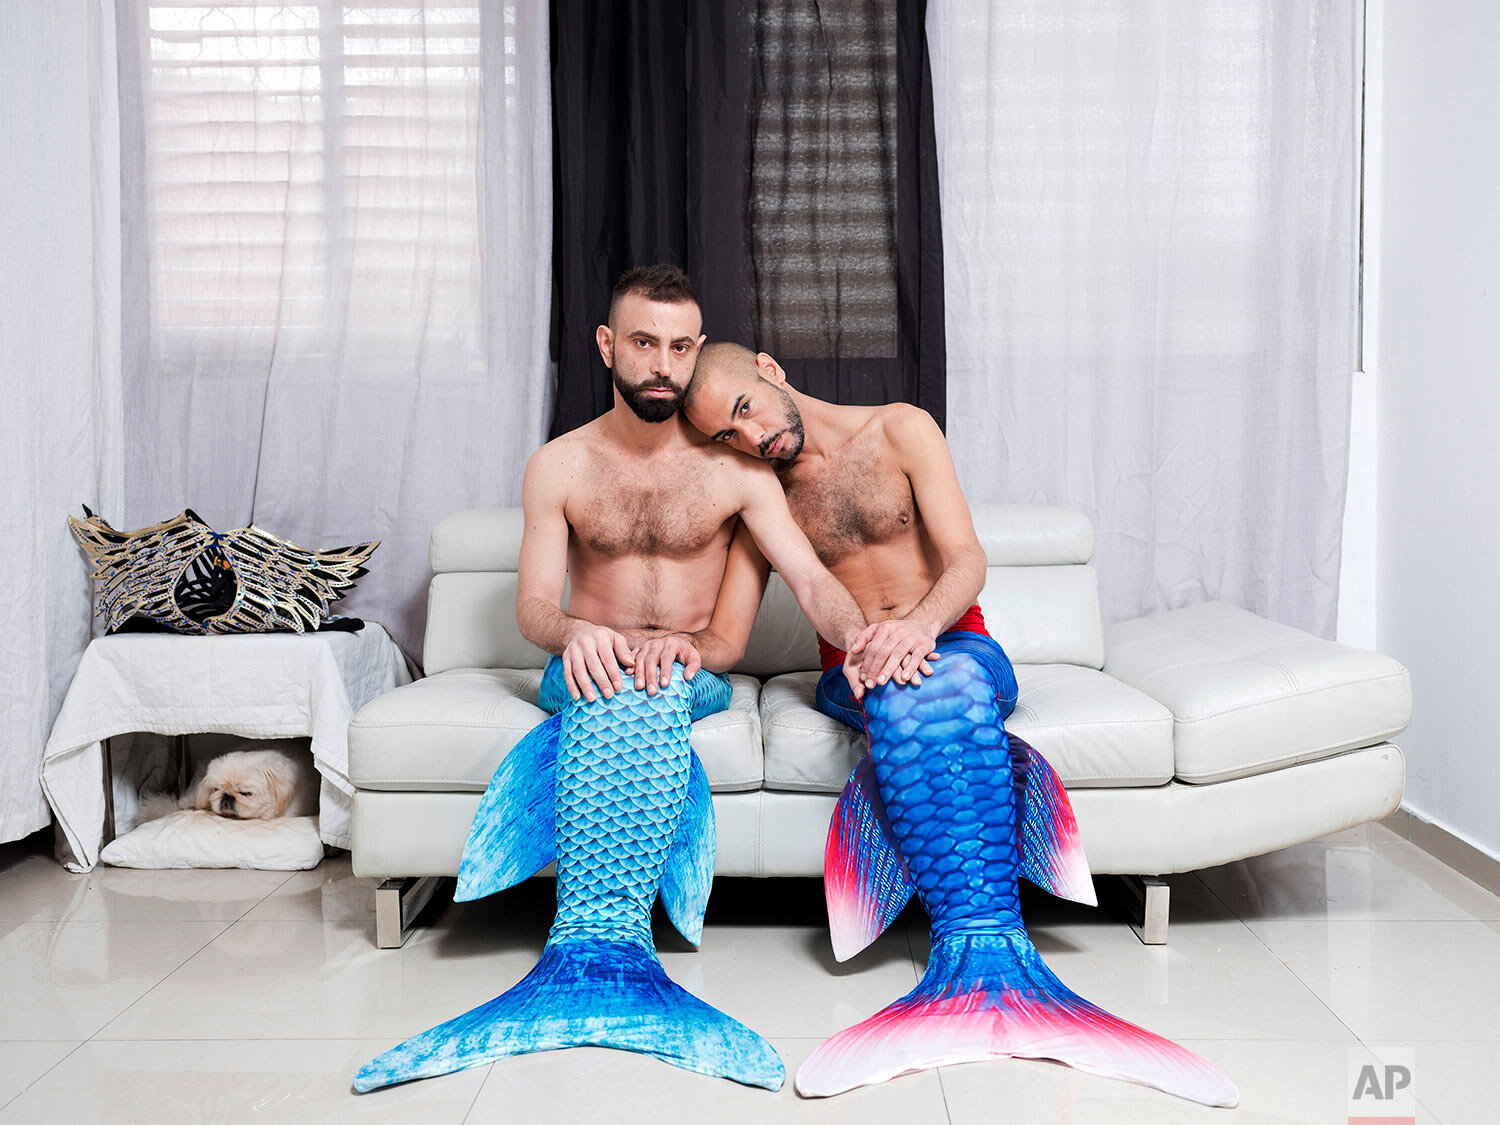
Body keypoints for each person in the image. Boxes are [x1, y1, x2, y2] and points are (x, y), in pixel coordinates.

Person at [356, 267, 875, 1096]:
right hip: (580, 667)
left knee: (653, 688)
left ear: (696, 350)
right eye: (642, 343)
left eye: (678, 347)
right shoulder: (560, 465)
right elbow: (533, 606)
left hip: (686, 673)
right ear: (608, 346)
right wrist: (577, 632)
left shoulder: (737, 474)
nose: (661, 364)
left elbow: (812, 582)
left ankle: (607, 949)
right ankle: (594, 947)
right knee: (611, 683)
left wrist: (867, 640)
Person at [679, 344, 1239, 1108]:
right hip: (858, 676)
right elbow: (731, 636)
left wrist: (917, 628)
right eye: (724, 439)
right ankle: (970, 958)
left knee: (941, 679)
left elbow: (967, 560)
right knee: (905, 691)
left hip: (960, 643)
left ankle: (992, 953)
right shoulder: (763, 503)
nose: (749, 440)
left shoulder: (903, 429)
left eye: (744, 411)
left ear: (770, 372)